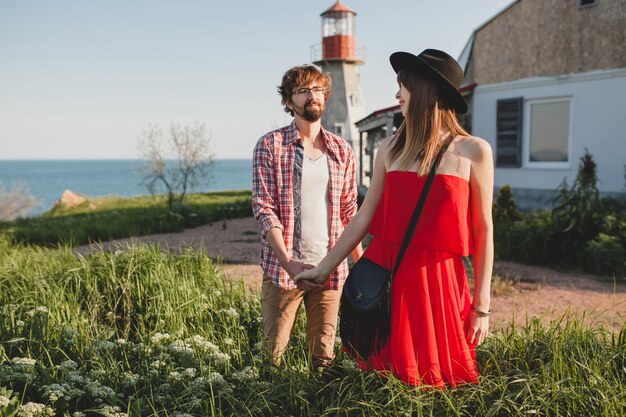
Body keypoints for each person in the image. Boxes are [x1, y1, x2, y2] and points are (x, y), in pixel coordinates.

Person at [294, 49, 494, 387]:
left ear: (426, 90)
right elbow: (362, 218)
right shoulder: (389, 148)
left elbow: (483, 229)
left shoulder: (473, 150)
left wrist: (482, 305)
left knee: (440, 382)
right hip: (389, 273)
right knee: (387, 380)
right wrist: (325, 268)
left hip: (438, 280)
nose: (397, 94)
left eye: (404, 87)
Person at [252, 64, 362, 369]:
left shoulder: (342, 150)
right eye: (302, 91)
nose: (311, 95)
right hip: (284, 270)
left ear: (324, 96)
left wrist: (360, 262)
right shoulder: (269, 146)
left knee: (323, 359)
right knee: (273, 357)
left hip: (330, 270)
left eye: (316, 89)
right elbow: (263, 208)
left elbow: (349, 211)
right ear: (289, 101)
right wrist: (289, 262)